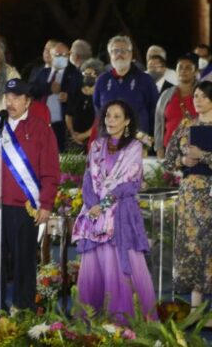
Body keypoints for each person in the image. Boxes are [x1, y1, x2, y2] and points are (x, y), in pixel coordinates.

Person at [0, 78, 60, 311]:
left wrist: (46, 203)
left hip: (25, 206)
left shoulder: (40, 129)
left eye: (16, 98)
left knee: (23, 261)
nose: (10, 102)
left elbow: (50, 171)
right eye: (7, 97)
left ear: (27, 102)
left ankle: (23, 310)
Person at [72, 99, 157, 324]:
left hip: (120, 215)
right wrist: (92, 205)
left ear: (127, 121)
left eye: (117, 116)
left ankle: (123, 324)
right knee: (94, 268)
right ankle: (91, 323)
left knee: (119, 268)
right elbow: (88, 179)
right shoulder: (97, 145)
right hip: (95, 216)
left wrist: (105, 204)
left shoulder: (134, 147)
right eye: (108, 115)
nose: (110, 120)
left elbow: (132, 182)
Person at [163, 81, 212, 317]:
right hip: (191, 194)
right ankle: (194, 309)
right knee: (193, 248)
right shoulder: (185, 125)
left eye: (203, 96)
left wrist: (204, 156)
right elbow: (168, 160)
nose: (198, 100)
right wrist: (183, 162)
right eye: (196, 96)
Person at [94, 35, 158, 136]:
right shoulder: (102, 80)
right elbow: (98, 108)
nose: (119, 54)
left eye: (124, 51)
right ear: (110, 55)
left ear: (131, 54)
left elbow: (154, 110)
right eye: (115, 51)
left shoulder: (146, 80)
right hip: (109, 140)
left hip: (138, 140)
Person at [154, 53, 199, 158]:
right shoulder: (167, 94)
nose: (183, 70)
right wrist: (159, 149)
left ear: (196, 72)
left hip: (197, 151)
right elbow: (158, 124)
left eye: (188, 68)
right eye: (180, 67)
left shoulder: (204, 93)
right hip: (169, 150)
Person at [65, 58, 104, 151]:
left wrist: (84, 135)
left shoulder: (101, 95)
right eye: (85, 74)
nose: (87, 77)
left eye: (90, 74)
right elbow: (68, 114)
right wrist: (72, 133)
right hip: (73, 139)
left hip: (94, 139)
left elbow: (100, 120)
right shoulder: (76, 92)